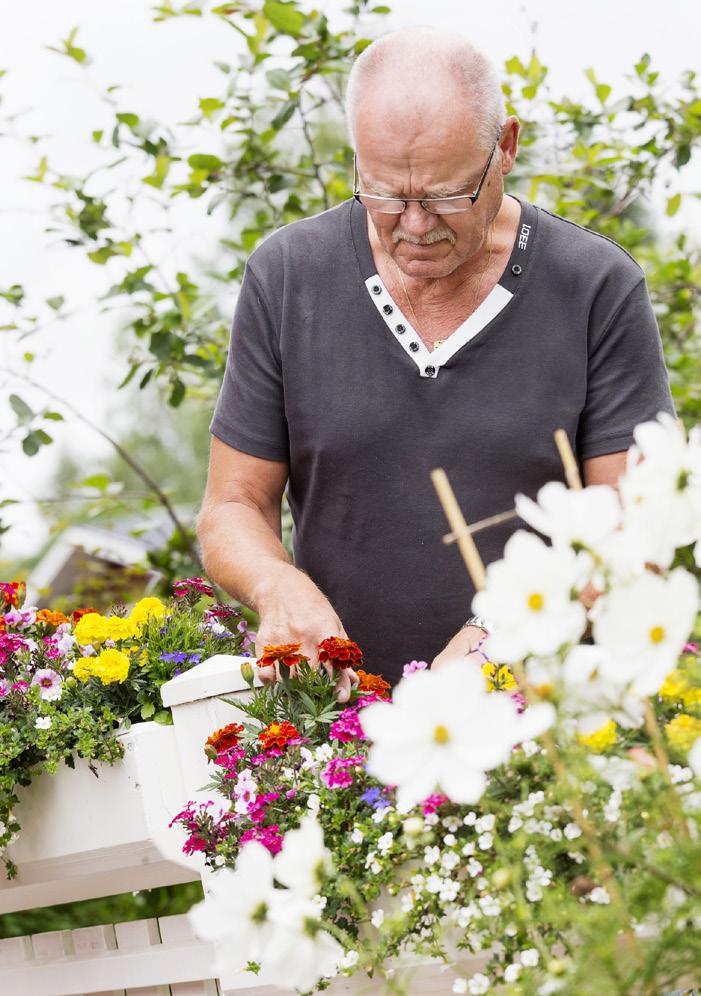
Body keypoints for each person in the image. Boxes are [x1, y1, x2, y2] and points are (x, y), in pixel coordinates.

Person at [196, 27, 675, 696]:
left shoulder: (594, 286)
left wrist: (501, 644)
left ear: (504, 147)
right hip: (339, 729)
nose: (414, 226)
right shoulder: (287, 276)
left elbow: (629, 526)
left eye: (446, 195)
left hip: (544, 716)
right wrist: (276, 585)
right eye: (386, 194)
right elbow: (232, 503)